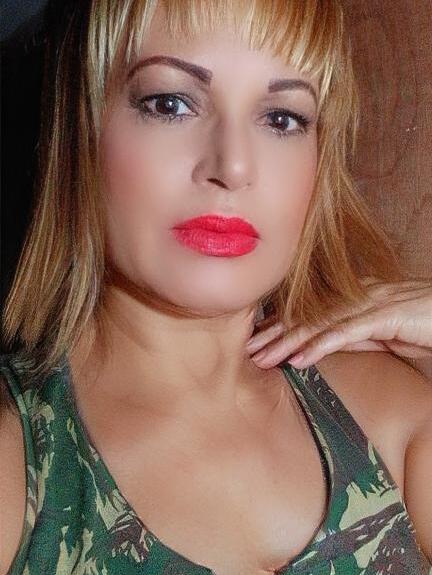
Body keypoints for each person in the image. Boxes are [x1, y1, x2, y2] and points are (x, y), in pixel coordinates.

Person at [0, 1, 431, 574]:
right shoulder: (18, 465)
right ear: (79, 128)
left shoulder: (388, 417)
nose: (233, 166)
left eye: (281, 119)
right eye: (170, 104)